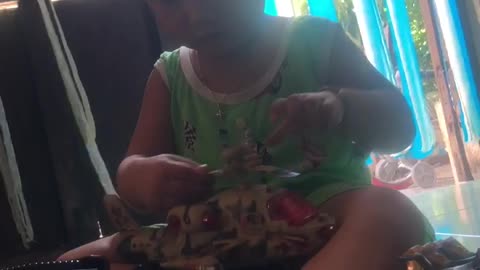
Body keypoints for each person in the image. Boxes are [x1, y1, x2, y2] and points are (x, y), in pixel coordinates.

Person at [59, 0, 434, 269]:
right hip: (213, 236)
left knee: (390, 214)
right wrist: (148, 177)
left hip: (325, 222)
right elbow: (130, 172)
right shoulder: (169, 77)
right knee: (79, 259)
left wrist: (341, 107)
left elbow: (401, 130)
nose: (199, 10)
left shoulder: (317, 42)